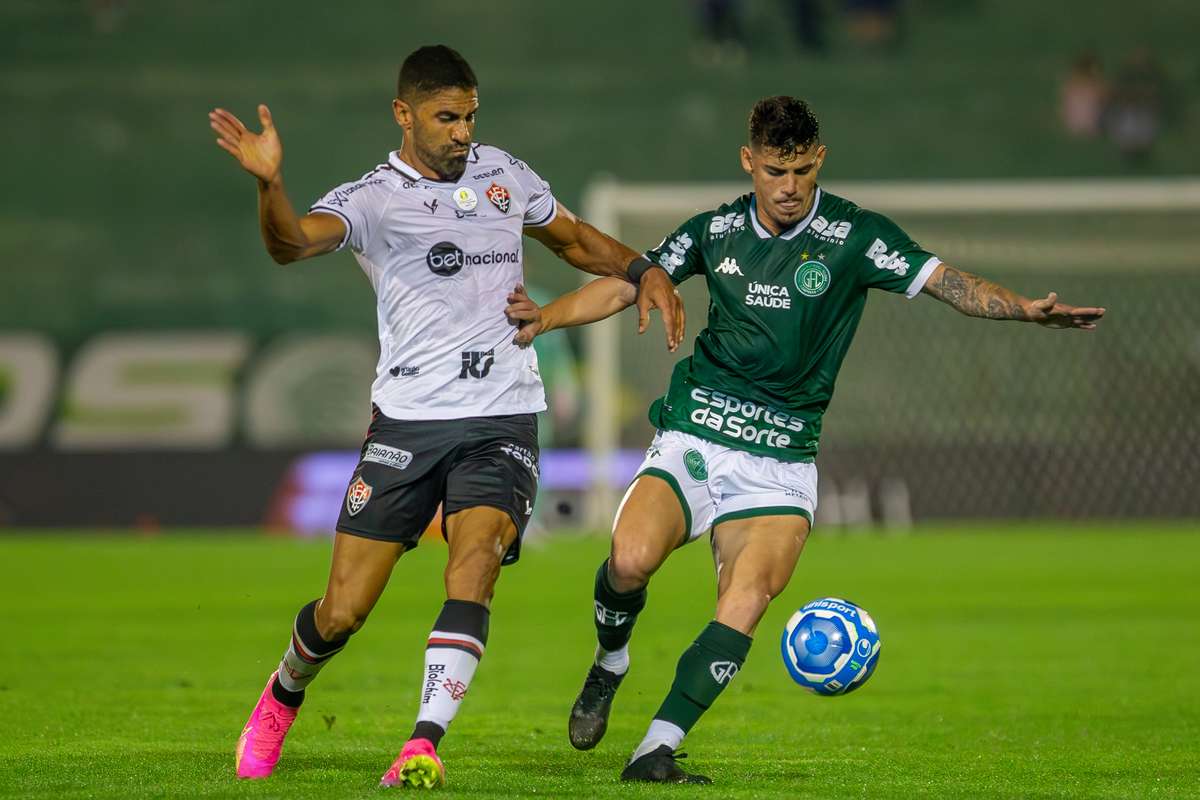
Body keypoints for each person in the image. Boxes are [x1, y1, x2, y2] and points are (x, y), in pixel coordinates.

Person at [506, 95, 1105, 784]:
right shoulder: (716, 229)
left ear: (819, 161)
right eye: (773, 171)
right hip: (699, 431)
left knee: (749, 596)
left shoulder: (856, 236)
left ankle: (656, 750)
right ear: (748, 163)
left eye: (799, 171)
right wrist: (544, 320)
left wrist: (1025, 310)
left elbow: (946, 281)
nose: (788, 187)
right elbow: (625, 286)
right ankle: (611, 662)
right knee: (630, 561)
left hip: (781, 460)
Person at [207, 44, 683, 788]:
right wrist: (270, 185)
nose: (463, 132)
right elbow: (291, 244)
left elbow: (576, 239)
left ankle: (423, 742)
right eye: (445, 117)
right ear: (404, 115)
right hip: (406, 425)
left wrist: (643, 268)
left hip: (502, 418)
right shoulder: (372, 198)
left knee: (475, 569)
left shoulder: (505, 175)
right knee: (342, 612)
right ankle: (282, 695)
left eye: (470, 116)